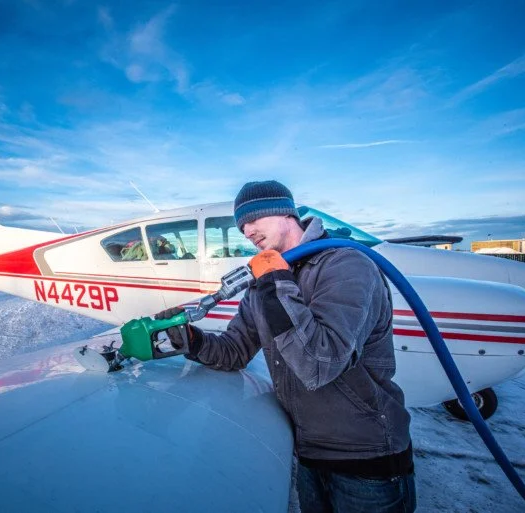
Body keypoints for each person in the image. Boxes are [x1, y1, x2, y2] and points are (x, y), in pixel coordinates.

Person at [156, 180, 415, 513]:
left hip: (367, 459)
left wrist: (274, 281)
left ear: (283, 212)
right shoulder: (267, 281)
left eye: (253, 219)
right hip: (308, 454)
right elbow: (235, 350)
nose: (246, 231)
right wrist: (192, 339)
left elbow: (319, 364)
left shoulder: (345, 265)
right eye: (241, 225)